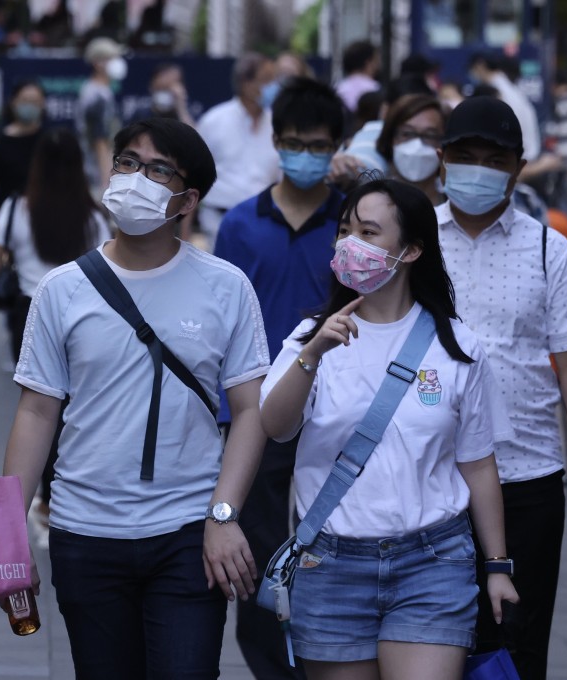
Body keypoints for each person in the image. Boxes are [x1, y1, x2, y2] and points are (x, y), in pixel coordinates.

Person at [2, 117, 270, 679]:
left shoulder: (226, 286)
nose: (135, 178)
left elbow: (250, 412)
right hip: (84, 532)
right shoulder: (62, 289)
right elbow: (35, 411)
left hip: (188, 531)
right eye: (127, 162)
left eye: (158, 169)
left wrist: (223, 514)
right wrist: (8, 532)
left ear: (187, 199)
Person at [260, 178, 519, 680]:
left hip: (433, 562)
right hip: (329, 565)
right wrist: (312, 356)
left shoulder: (457, 346)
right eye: (344, 229)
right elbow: (275, 426)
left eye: (368, 231)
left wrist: (497, 566)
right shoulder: (307, 339)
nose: (349, 243)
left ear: (413, 249)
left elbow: (478, 464)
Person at [436, 96, 567, 680]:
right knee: (432, 641)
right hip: (431, 477)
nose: (478, 169)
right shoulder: (414, 241)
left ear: (517, 166)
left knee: (517, 645)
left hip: (525, 477)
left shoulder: (547, 248)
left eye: (494, 158)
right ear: (442, 161)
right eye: (465, 155)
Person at [214, 76, 344, 680]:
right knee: (260, 564)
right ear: (275, 139)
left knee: (331, 555)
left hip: (338, 416)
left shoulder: (355, 226)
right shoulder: (240, 223)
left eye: (317, 144)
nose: (303, 154)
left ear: (335, 146)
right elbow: (220, 327)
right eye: (292, 141)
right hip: (255, 418)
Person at [0, 127, 111, 360]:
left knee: (33, 393)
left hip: (29, 316)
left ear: (36, 164)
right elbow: (107, 275)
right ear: (78, 166)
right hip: (79, 317)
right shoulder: (93, 218)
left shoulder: (16, 208)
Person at [197, 52, 282, 251]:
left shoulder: (278, 124)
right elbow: (194, 174)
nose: (274, 86)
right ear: (246, 84)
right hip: (219, 220)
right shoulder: (214, 121)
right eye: (267, 80)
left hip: (266, 221)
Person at [0, 79, 47, 232]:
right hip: (7, 221)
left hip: (44, 220)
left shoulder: (50, 141)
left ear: (43, 104)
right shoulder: (1, 140)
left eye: (35, 101)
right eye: (25, 100)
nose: (29, 105)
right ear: (14, 102)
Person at [76, 37, 127, 192]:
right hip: (97, 177)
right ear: (98, 63)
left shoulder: (102, 92)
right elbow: (99, 140)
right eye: (111, 58)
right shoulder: (95, 95)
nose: (117, 62)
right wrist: (107, 182)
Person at [468, 53, 540, 161]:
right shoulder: (508, 88)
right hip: (522, 155)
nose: (471, 74)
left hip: (516, 158)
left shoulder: (497, 92)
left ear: (480, 66)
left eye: (471, 69)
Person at [375, 93, 445, 205]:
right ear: (391, 139)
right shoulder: (371, 199)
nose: (417, 145)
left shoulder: (455, 205)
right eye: (407, 133)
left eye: (429, 135)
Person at [126, 61, 195, 127]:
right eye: (161, 89)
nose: (165, 94)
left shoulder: (188, 113)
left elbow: (194, 137)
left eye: (169, 90)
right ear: (151, 87)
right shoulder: (141, 115)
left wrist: (181, 108)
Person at [334, 40, 381, 114]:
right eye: (376, 60)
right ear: (368, 63)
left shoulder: (338, 89)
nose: (378, 65)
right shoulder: (375, 89)